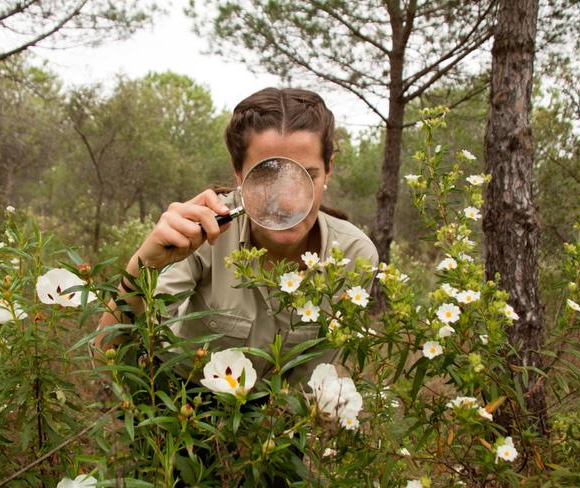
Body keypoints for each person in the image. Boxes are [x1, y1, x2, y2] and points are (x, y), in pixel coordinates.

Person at [96, 87, 378, 384]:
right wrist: (143, 267)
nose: (287, 202)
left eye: (307, 175)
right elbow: (106, 357)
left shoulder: (354, 255)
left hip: (272, 418)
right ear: (238, 174)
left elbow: (308, 385)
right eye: (267, 176)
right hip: (181, 405)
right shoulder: (201, 233)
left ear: (329, 170)